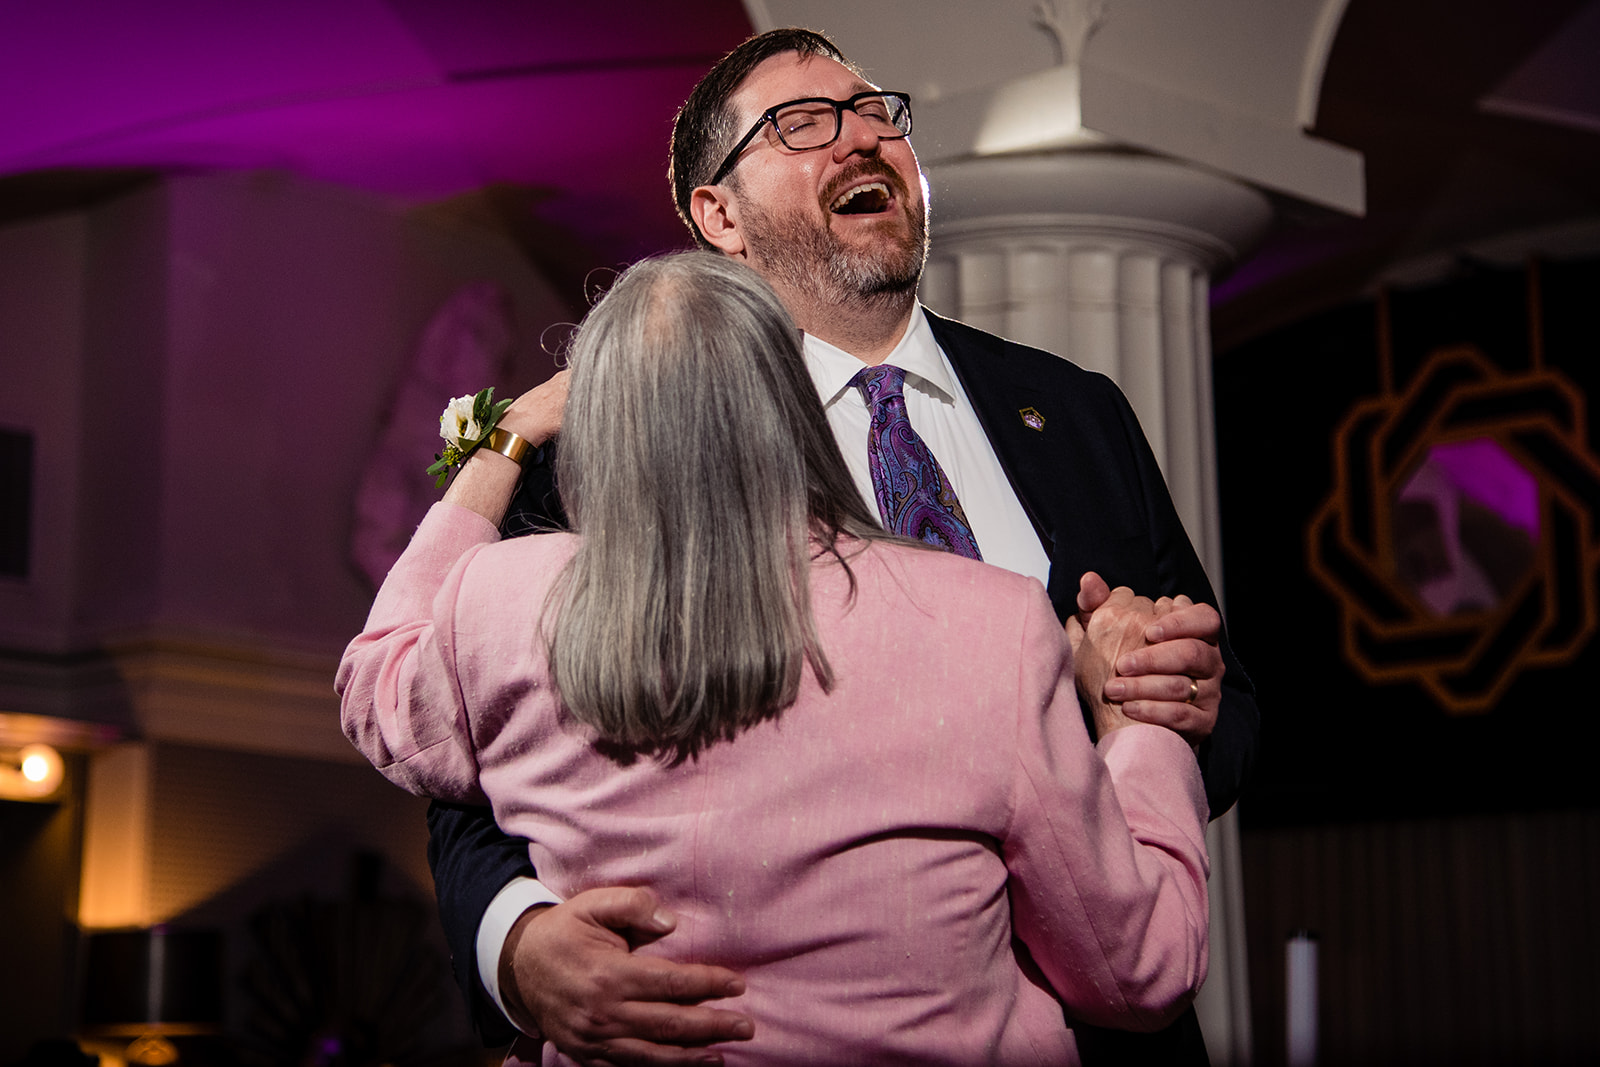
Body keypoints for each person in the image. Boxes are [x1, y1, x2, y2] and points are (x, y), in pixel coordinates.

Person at [428, 27, 1260, 1066]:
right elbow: (471, 773)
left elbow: (1228, 716)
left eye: (878, 116)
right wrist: (518, 941)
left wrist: (1163, 704)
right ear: (716, 213)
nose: (861, 141)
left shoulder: (1078, 411)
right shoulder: (613, 451)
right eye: (801, 125)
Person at [340, 252, 1211, 1066]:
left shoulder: (495, 599)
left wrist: (511, 436)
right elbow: (1138, 971)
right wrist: (1139, 726)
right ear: (793, 409)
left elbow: (377, 682)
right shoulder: (994, 621)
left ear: (597, 430)